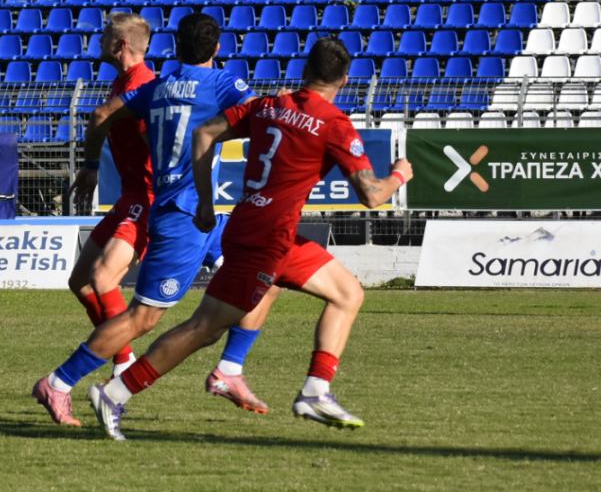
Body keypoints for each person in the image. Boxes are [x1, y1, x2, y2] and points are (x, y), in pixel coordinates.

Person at [82, 38, 412, 441]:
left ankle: (315, 390)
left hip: (263, 227)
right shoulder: (334, 124)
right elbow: (372, 195)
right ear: (344, 80)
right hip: (266, 239)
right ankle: (114, 393)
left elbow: (205, 133)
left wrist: (206, 198)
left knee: (348, 293)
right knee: (204, 328)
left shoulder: (267, 106)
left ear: (305, 69)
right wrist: (400, 174)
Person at [36, 12, 262, 425]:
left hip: (172, 205)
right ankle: (65, 381)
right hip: (183, 211)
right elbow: (257, 115)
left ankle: (230, 368)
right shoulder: (220, 82)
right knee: (143, 316)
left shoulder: (153, 86)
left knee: (263, 267)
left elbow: (105, 116)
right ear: (216, 48)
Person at [56, 13, 156, 384]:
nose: (97, 41)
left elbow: (105, 119)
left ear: (121, 45)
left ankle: (125, 364)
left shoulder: (144, 85)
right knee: (80, 281)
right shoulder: (121, 82)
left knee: (103, 278)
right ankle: (124, 358)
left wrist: (91, 165)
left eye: (104, 37)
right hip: (128, 196)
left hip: (146, 198)